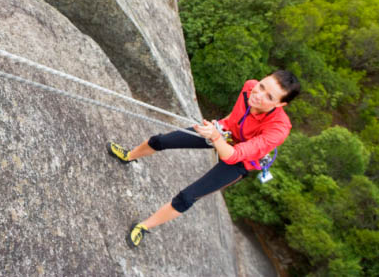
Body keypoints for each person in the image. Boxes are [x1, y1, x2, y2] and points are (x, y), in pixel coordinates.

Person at [108, 70, 301, 248]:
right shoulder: (249, 86)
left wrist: (216, 137)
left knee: (187, 197)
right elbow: (236, 118)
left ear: (280, 104)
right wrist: (220, 126)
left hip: (241, 160)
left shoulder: (278, 129)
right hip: (225, 134)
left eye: (269, 97)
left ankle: (144, 227)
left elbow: (233, 156)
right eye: (262, 86)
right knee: (161, 140)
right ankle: (129, 156)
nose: (258, 94)